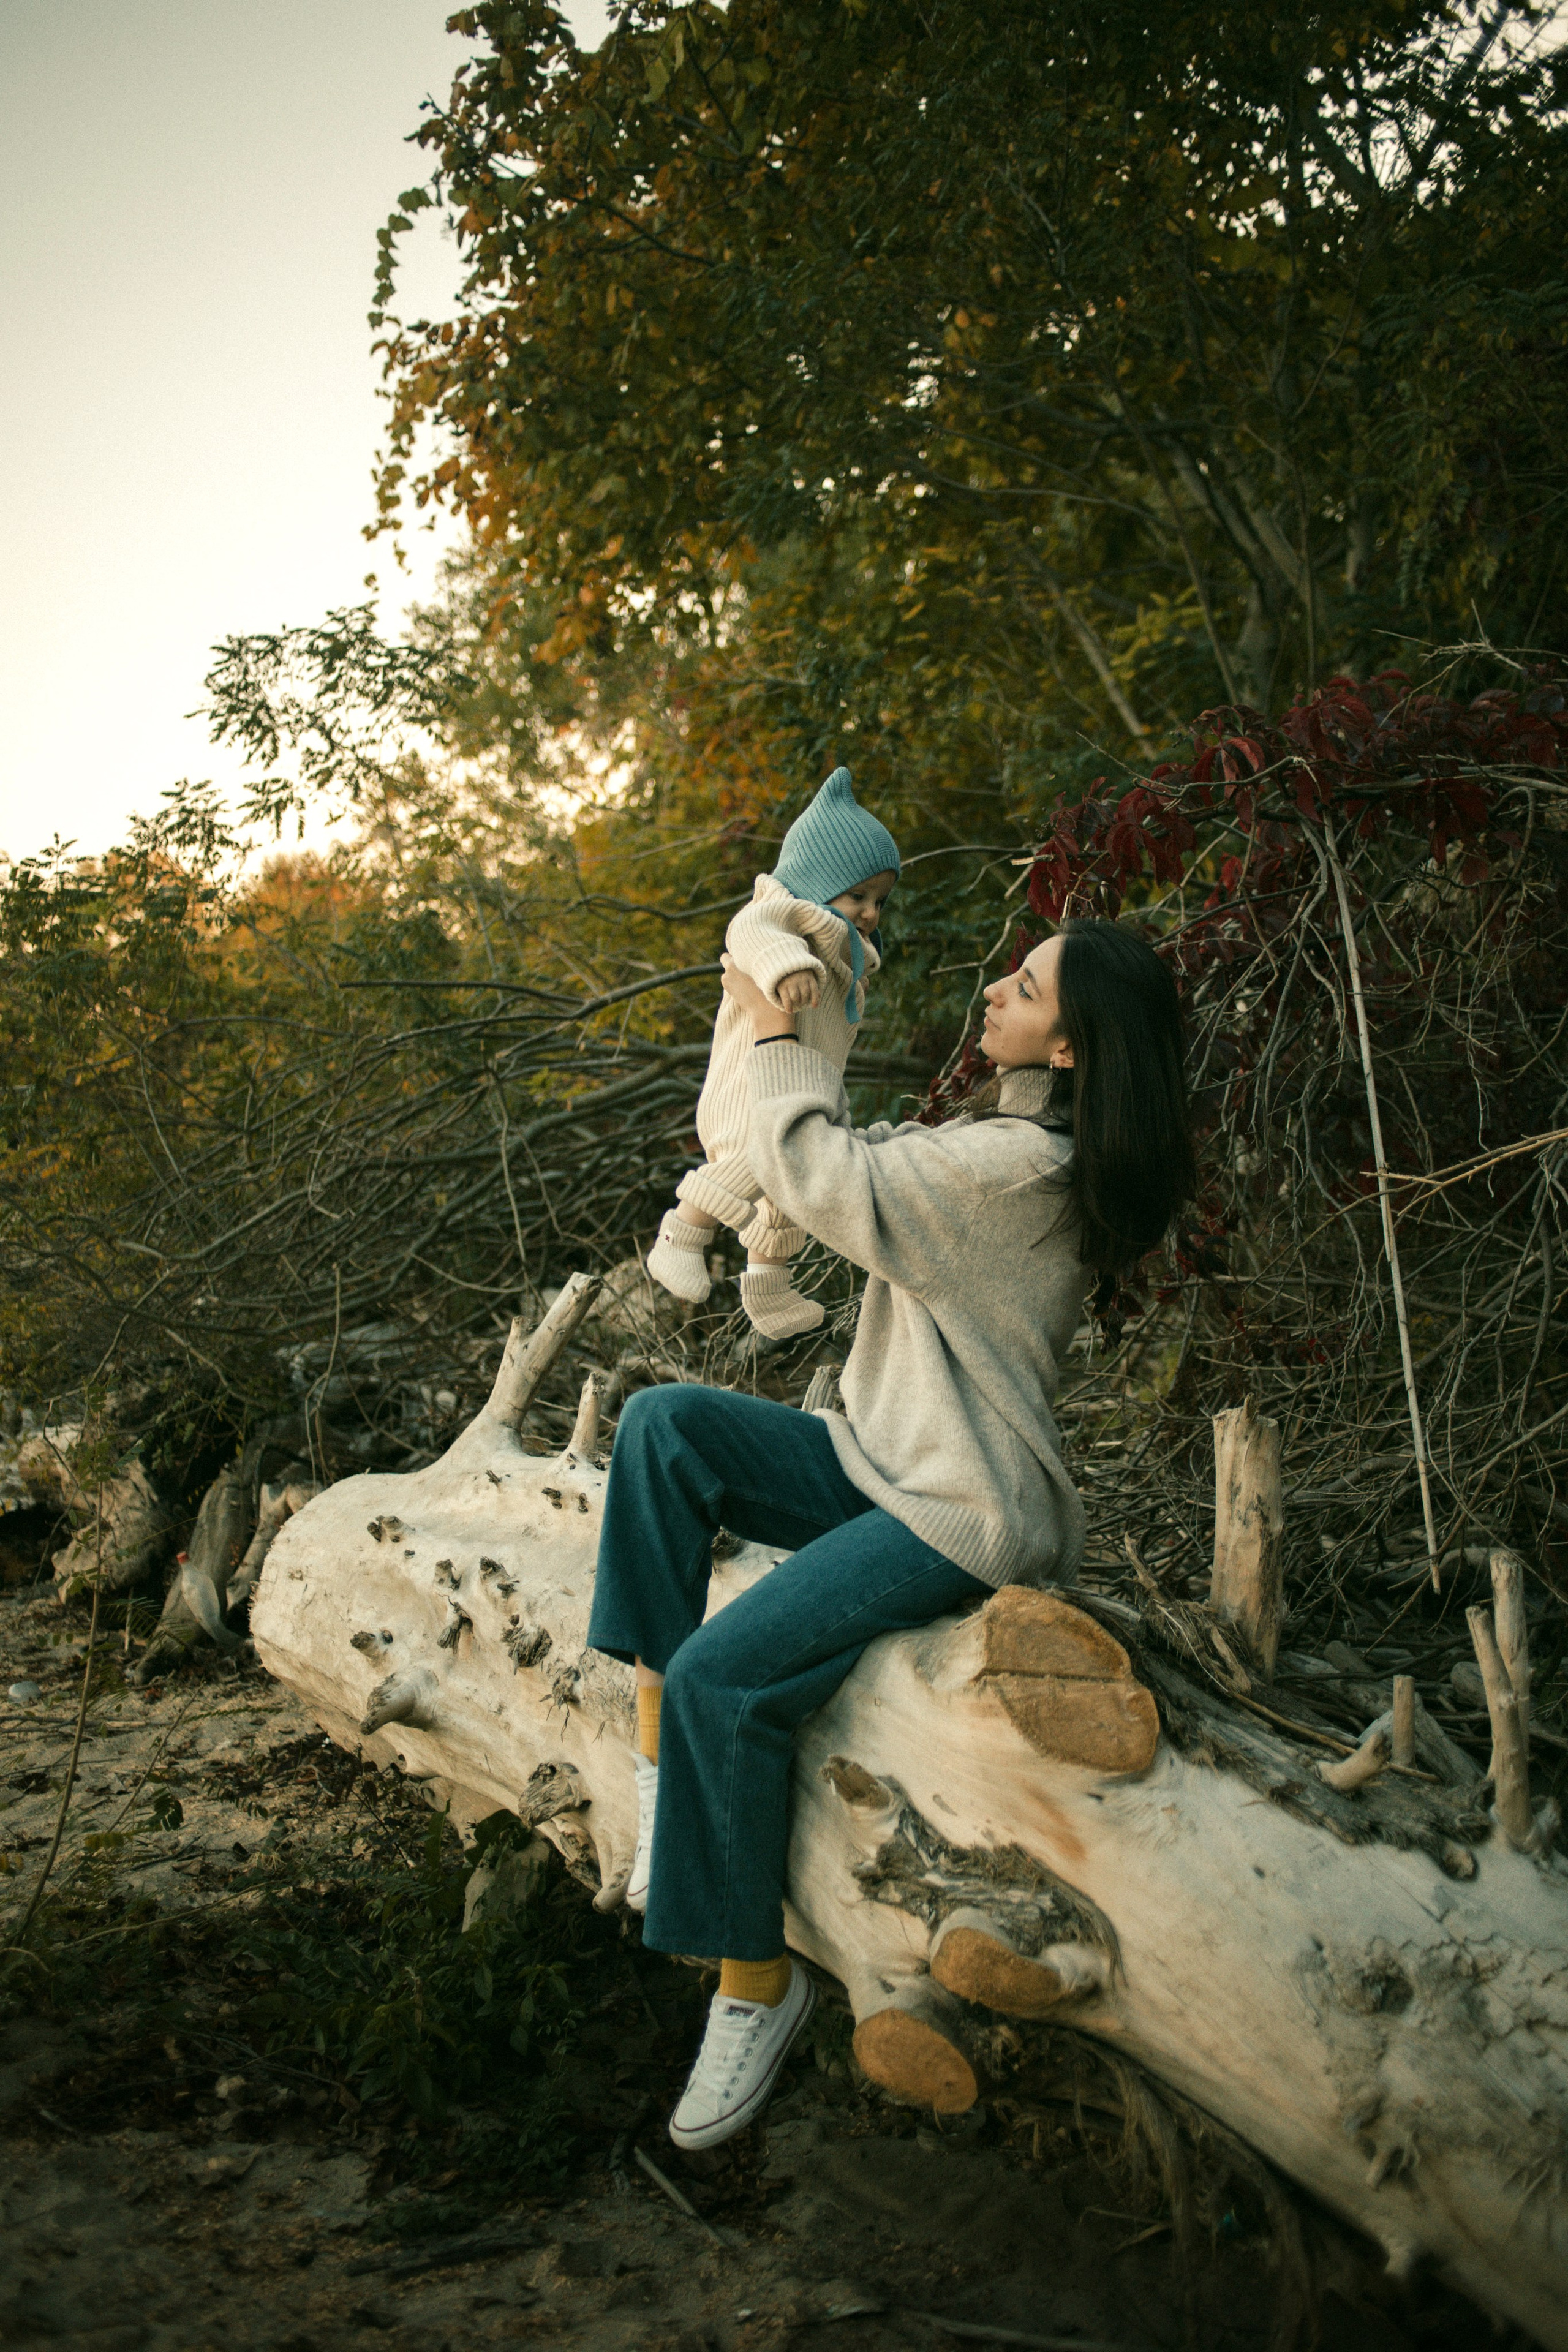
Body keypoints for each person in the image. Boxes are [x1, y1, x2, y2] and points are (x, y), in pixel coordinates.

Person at [587, 918, 1195, 2151]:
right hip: (879, 1460)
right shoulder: (997, 1140)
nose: (992, 987)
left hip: (958, 1512)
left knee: (727, 1675)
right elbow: (851, 1165)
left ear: (1070, 1046)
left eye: (1020, 986)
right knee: (662, 1430)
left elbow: (826, 1175)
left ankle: (754, 1986)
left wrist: (773, 1022)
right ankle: (662, 1769)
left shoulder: (1017, 1170)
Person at [646, 764, 899, 1339]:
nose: (870, 912)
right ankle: (681, 1235)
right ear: (817, 877)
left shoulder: (845, 950)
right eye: (859, 894)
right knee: (759, 1161)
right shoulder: (789, 913)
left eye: (880, 901)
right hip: (751, 1087)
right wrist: (785, 964)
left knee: (790, 1187)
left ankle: (768, 1285)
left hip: (807, 1088)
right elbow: (749, 933)